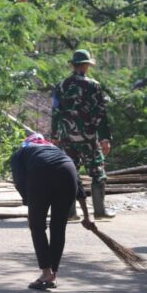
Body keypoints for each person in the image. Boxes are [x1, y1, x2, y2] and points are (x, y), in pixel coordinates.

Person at [10, 134, 88, 291]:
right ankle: (53, 274)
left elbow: (19, 181)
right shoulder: (57, 150)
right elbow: (78, 184)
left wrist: (31, 205)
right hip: (68, 171)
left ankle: (46, 273)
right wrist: (87, 216)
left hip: (41, 172)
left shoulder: (19, 153)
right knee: (58, 227)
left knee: (37, 227)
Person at [51, 49, 115, 220]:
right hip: (88, 138)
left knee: (69, 173)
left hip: (66, 138)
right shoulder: (93, 85)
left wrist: (55, 136)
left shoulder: (61, 85)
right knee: (97, 172)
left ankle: (70, 213)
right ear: (86, 65)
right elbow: (100, 114)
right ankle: (99, 211)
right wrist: (105, 138)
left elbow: (55, 112)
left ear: (73, 65)